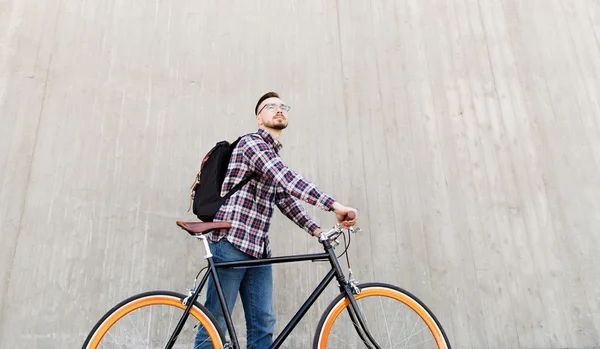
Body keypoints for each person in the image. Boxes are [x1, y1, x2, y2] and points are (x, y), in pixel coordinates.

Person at [194, 92, 358, 349]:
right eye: (271, 107)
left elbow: (285, 199)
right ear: (259, 118)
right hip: (231, 243)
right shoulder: (251, 144)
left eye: (283, 107)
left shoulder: (272, 155)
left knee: (262, 324)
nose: (279, 110)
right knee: (214, 325)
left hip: (259, 251)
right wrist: (334, 205)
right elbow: (285, 178)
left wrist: (317, 231)